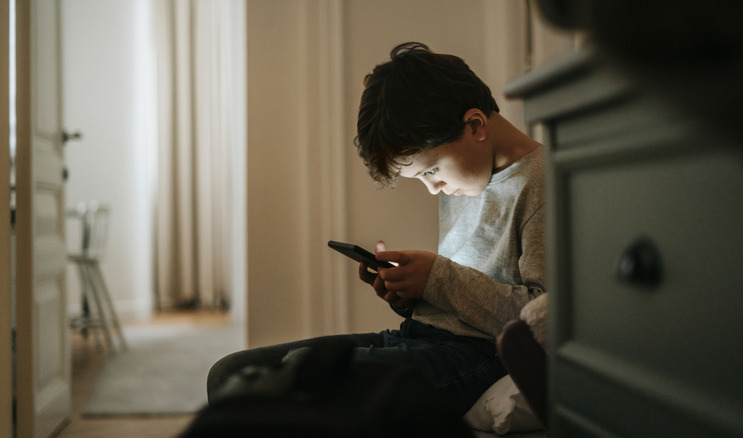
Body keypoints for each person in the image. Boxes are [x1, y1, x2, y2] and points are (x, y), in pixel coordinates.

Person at [207, 42, 546, 415]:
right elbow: (458, 298)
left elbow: (542, 319)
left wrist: (438, 278)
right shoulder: (468, 177)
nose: (433, 187)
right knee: (230, 374)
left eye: (431, 171)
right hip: (420, 338)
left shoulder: (544, 184)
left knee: (301, 374)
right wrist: (412, 294)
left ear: (475, 125)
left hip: (478, 354)